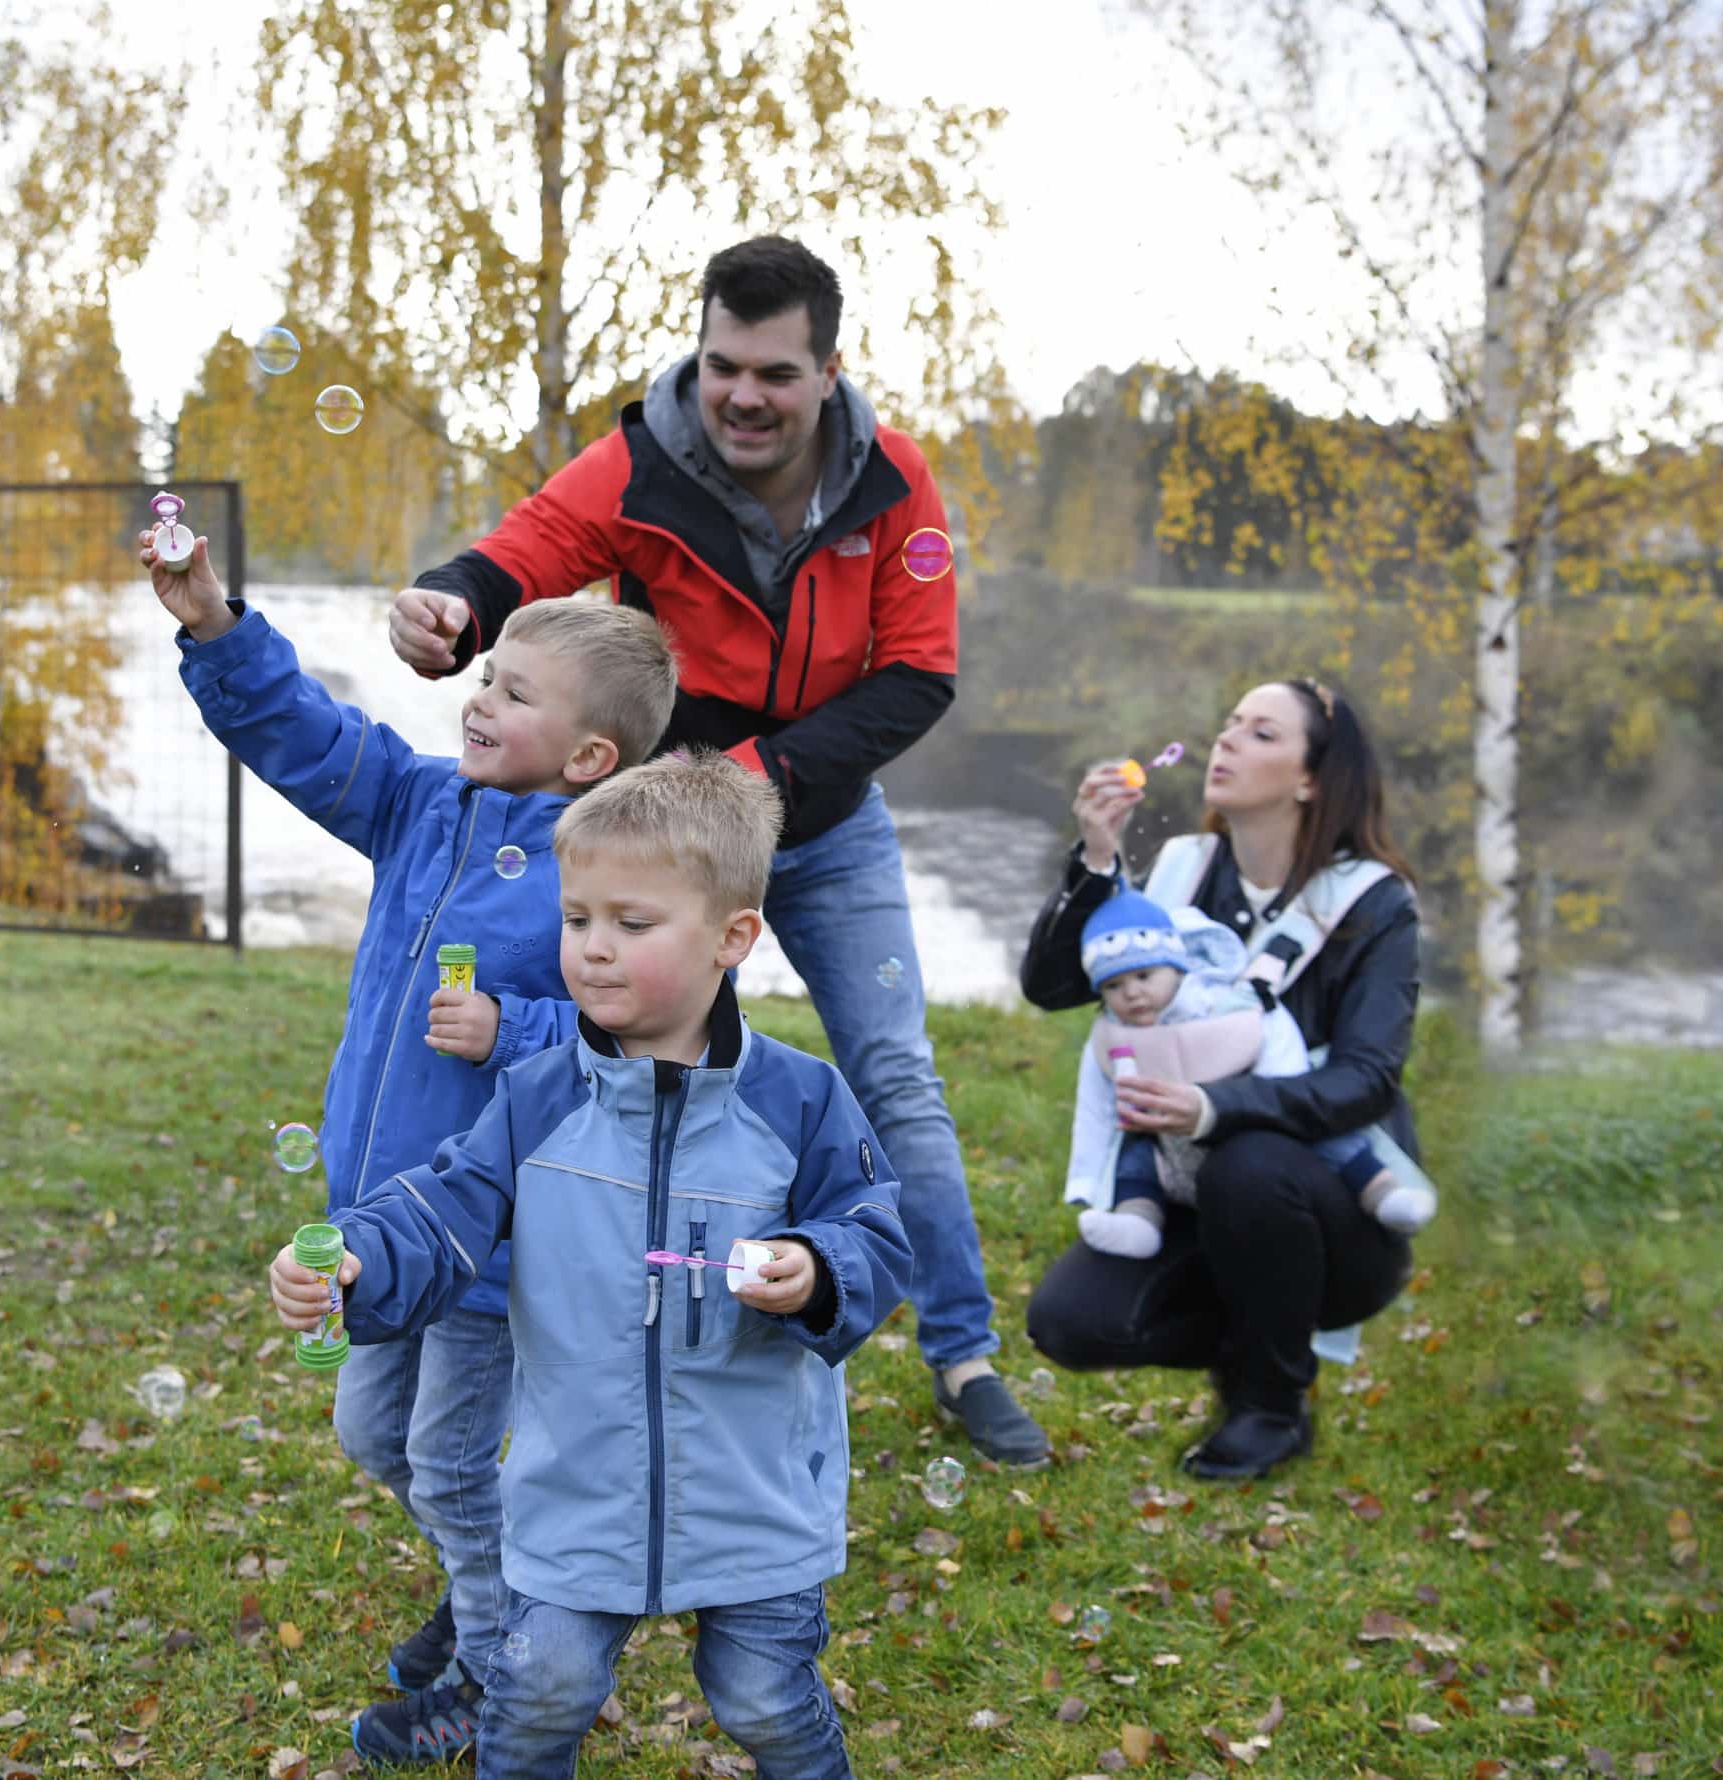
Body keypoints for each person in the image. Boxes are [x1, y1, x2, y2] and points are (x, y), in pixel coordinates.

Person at [381, 234, 1048, 1468]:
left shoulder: (895, 483)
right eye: (722, 364)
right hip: (670, 845)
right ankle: (625, 1333)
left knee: (894, 1079)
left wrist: (757, 778)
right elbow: (525, 548)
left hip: (827, 823)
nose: (743, 395)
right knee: (626, 1078)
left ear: (828, 372)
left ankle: (962, 1351)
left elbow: (919, 679)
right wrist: (452, 603)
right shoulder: (642, 457)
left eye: (776, 374)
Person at [267, 754, 911, 1780]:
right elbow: (439, 1209)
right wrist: (356, 1261)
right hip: (577, 1489)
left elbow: (876, 1227)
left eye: (631, 924)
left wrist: (815, 1266)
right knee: (539, 1693)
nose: (593, 950)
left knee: (764, 1696)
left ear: (732, 938)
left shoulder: (800, 1099)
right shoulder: (535, 1096)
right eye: (577, 921)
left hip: (753, 1491)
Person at [144, 527, 678, 1763]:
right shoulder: (421, 806)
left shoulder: (598, 870)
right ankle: (484, 1573)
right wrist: (214, 621)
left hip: (495, 1235)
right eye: (485, 680)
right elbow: (303, 733)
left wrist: (513, 1026)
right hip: (385, 1217)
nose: (480, 700)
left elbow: (640, 1035)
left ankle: (503, 1682)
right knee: (375, 1438)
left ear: (591, 755)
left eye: (514, 693)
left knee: (445, 1460)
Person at [1020, 679, 1422, 1481]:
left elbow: (1367, 1081)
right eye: (1230, 723)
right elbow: (1053, 987)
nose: (1229, 741)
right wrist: (1099, 860)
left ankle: (1271, 1404)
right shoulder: (1179, 873)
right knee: (1070, 1323)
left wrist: (1214, 1106)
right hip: (1187, 1194)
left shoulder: (1376, 906)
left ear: (1313, 777)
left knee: (1250, 1160)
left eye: (1262, 733)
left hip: (1335, 1212)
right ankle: (1256, 1325)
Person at [1066, 889, 1435, 1260]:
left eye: (1144, 976)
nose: (1132, 994)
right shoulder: (1111, 1037)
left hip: (1252, 1127)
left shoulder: (1223, 1003)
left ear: (1175, 966)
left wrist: (1274, 1095)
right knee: (1132, 1151)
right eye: (1114, 985)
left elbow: (1276, 1039)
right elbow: (1094, 1109)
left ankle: (1382, 1191)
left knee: (1331, 1139)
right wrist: (1085, 1178)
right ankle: (1139, 1220)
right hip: (1167, 1141)